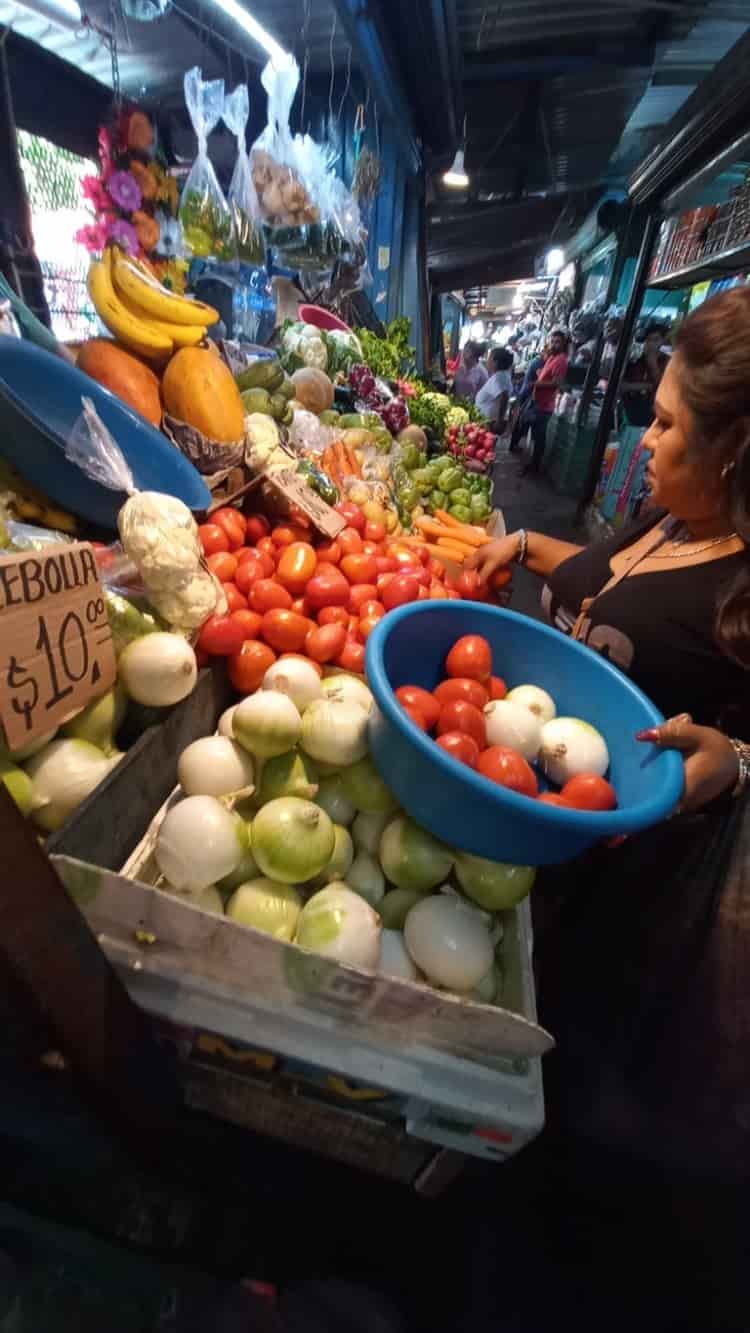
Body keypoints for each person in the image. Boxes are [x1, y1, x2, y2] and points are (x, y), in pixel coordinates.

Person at [462, 284, 750, 1330]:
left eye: (669, 422)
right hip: (535, 847)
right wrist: (525, 550)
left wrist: (736, 759)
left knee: (558, 1119)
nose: (649, 432)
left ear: (736, 451)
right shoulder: (674, 512)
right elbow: (605, 579)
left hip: (621, 903)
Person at [523, 327, 569, 474]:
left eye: (558, 342)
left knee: (539, 438)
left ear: (563, 344)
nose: (554, 344)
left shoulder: (561, 360)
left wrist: (536, 383)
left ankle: (534, 467)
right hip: (538, 402)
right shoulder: (551, 357)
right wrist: (539, 375)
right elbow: (546, 374)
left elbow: (556, 383)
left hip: (544, 406)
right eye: (552, 341)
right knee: (535, 435)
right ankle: (532, 464)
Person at [508, 345, 547, 453]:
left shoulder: (539, 362)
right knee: (522, 423)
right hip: (527, 396)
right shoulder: (539, 363)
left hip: (527, 395)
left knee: (522, 422)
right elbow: (541, 379)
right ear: (543, 352)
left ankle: (513, 444)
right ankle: (513, 445)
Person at [475, 347, 513, 430]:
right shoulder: (503, 375)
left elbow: (504, 396)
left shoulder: (498, 378)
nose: (487, 361)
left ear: (496, 362)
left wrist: (499, 421)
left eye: (489, 358)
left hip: (490, 424)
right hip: (488, 421)